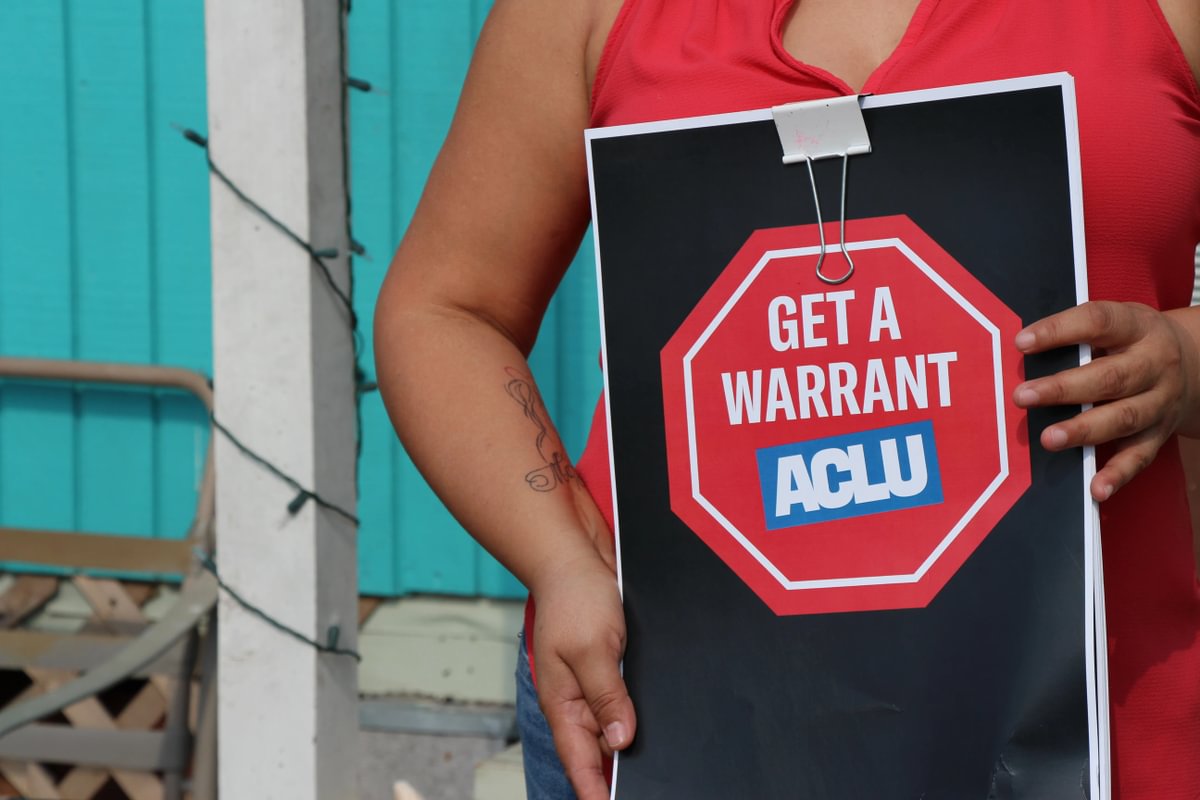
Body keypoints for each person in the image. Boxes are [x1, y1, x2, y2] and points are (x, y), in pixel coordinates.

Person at [373, 1, 1200, 798]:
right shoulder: (587, 11)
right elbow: (446, 309)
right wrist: (559, 557)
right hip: (673, 712)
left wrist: (1187, 360)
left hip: (1093, 721)